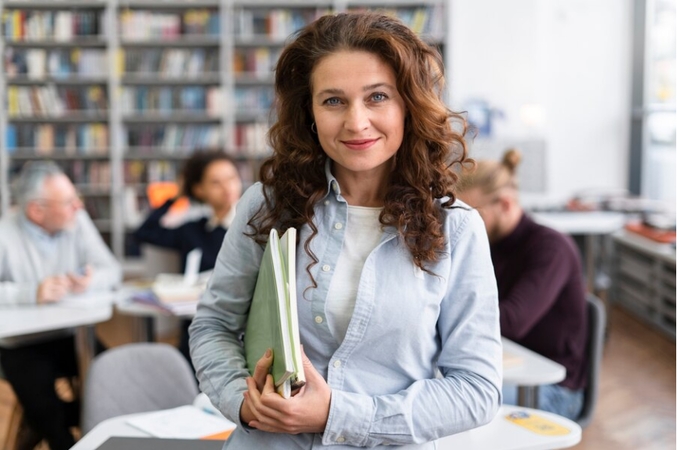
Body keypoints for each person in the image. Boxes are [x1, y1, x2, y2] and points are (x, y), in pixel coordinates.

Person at [189, 12, 502, 449]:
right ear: (310, 113)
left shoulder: (458, 229)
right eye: (333, 101)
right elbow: (214, 326)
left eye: (377, 97)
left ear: (408, 105)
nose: (356, 122)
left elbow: (476, 391)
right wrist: (243, 401)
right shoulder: (267, 205)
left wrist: (338, 414)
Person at [456, 149, 588, 420]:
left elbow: (511, 321)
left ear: (504, 204)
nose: (464, 224)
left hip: (552, 389)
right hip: (501, 367)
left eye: (472, 214)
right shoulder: (487, 242)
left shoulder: (552, 249)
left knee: (456, 404)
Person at [0, 161, 122, 450]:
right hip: (20, 345)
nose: (79, 206)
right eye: (68, 202)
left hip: (72, 337)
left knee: (113, 377)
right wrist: (31, 293)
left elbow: (112, 270)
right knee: (46, 410)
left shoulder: (76, 222)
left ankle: (89, 430)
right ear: (36, 210)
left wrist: (90, 281)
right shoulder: (5, 234)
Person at [134, 150, 242, 363]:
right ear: (199, 190)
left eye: (231, 178)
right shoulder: (193, 230)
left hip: (236, 331)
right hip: (196, 329)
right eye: (216, 183)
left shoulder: (251, 227)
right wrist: (177, 195)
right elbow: (144, 232)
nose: (227, 188)